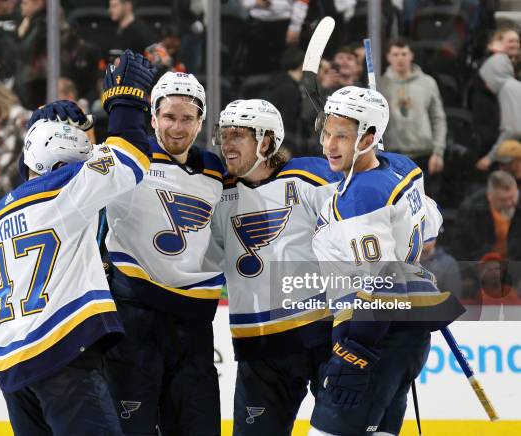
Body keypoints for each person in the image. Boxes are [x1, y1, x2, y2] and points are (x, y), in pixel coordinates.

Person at [32, 70, 224, 435]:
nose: (177, 127)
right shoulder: (127, 158)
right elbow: (53, 174)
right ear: (152, 118)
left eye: (187, 118)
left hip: (195, 327)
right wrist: (42, 123)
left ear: (201, 122)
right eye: (168, 116)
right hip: (134, 322)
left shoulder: (216, 171)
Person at [0, 50, 155, 435]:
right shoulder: (67, 192)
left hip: (13, 367)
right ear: (65, 166)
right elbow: (131, 156)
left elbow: (33, 175)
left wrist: (42, 123)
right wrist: (127, 100)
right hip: (60, 355)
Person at [310, 86, 464, 435]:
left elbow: (379, 284)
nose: (329, 146)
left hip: (372, 337)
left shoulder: (360, 199)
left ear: (368, 138)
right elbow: (431, 223)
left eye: (342, 137)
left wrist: (355, 354)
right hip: (408, 338)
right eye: (327, 134)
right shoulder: (403, 168)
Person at [209, 98, 341, 435]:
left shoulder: (312, 178)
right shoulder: (217, 192)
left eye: (237, 135)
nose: (226, 145)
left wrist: (373, 174)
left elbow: (363, 225)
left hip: (322, 336)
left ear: (265, 141)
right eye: (223, 136)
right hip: (260, 347)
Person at [380, 38, 447, 197]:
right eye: (395, 54)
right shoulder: (380, 84)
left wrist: (438, 151)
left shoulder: (428, 82)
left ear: (411, 55)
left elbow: (438, 118)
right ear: (388, 57)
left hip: (423, 154)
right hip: (392, 155)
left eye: (404, 54)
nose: (400, 58)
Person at [454, 170, 521, 261]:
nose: (510, 203)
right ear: (490, 196)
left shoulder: (517, 206)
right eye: (503, 200)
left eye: (512, 197)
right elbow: (461, 245)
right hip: (482, 264)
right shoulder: (471, 209)